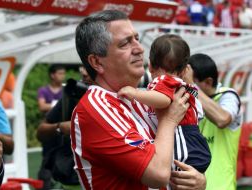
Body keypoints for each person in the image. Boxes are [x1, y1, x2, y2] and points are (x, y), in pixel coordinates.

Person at [71, 10, 206, 189]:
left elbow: (173, 160)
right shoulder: (95, 109)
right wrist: (170, 119)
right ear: (97, 62)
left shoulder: (141, 97)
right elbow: (158, 174)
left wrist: (199, 181)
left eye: (136, 38)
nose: (140, 48)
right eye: (125, 43)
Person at [118, 34, 211, 173]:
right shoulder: (183, 86)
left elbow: (163, 99)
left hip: (181, 136)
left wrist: (135, 93)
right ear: (185, 70)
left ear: (150, 66)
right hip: (193, 137)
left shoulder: (163, 80)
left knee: (170, 168)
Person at [188, 53, 242, 190]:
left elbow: (223, 119)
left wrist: (191, 86)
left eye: (193, 82)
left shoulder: (229, 96)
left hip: (221, 186)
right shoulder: (191, 99)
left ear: (208, 82)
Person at [37, 66, 90, 190]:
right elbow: (40, 131)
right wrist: (60, 127)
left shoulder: (120, 97)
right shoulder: (71, 94)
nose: (84, 73)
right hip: (70, 177)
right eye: (84, 69)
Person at [37, 64, 66, 190]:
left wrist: (51, 105)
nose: (62, 76)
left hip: (64, 133)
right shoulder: (43, 90)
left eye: (63, 73)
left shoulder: (65, 90)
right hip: (49, 131)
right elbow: (42, 107)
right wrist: (59, 105)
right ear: (52, 75)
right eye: (60, 73)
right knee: (47, 161)